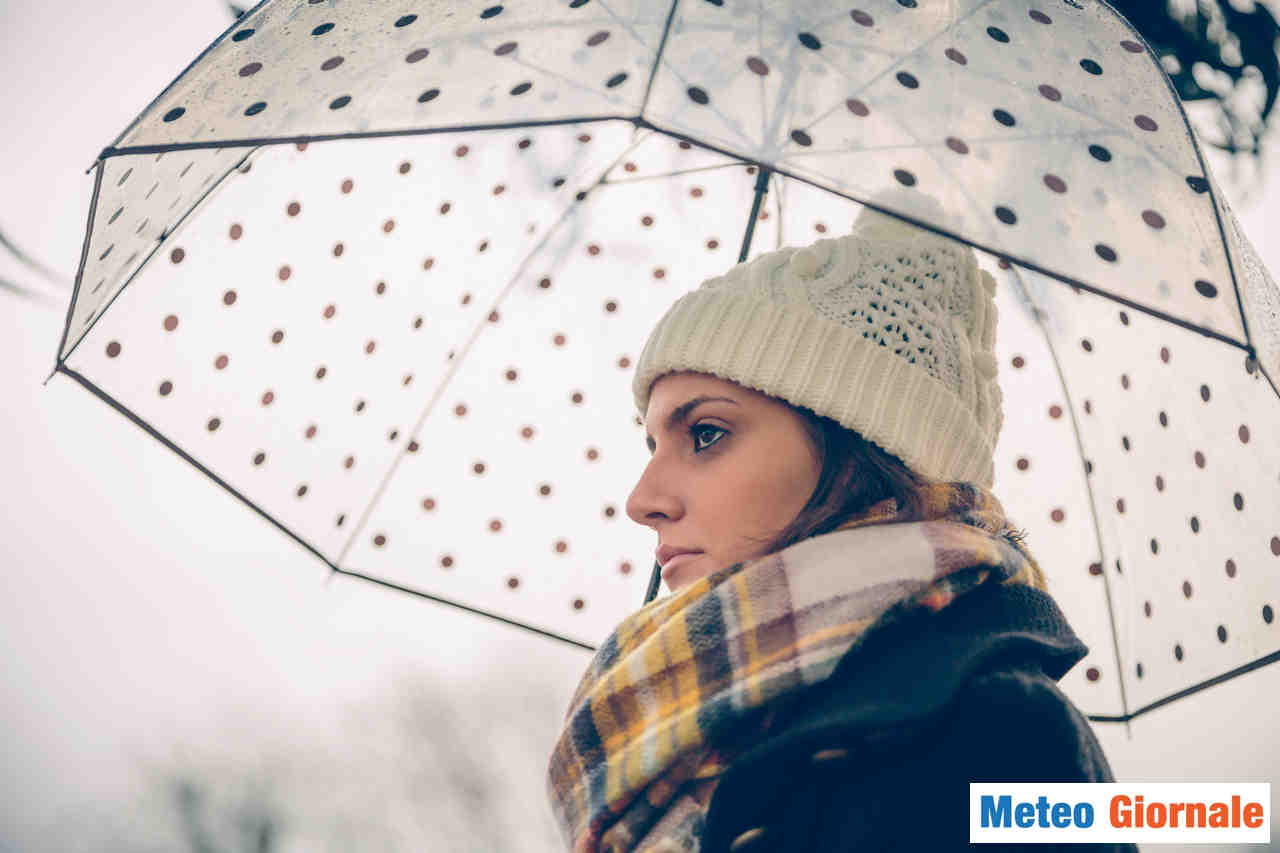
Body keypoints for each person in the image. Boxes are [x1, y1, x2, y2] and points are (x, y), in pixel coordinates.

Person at [545, 199, 1137, 852]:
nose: (642, 498)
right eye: (652, 444)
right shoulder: (680, 734)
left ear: (861, 454)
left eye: (706, 433)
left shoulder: (1002, 732)